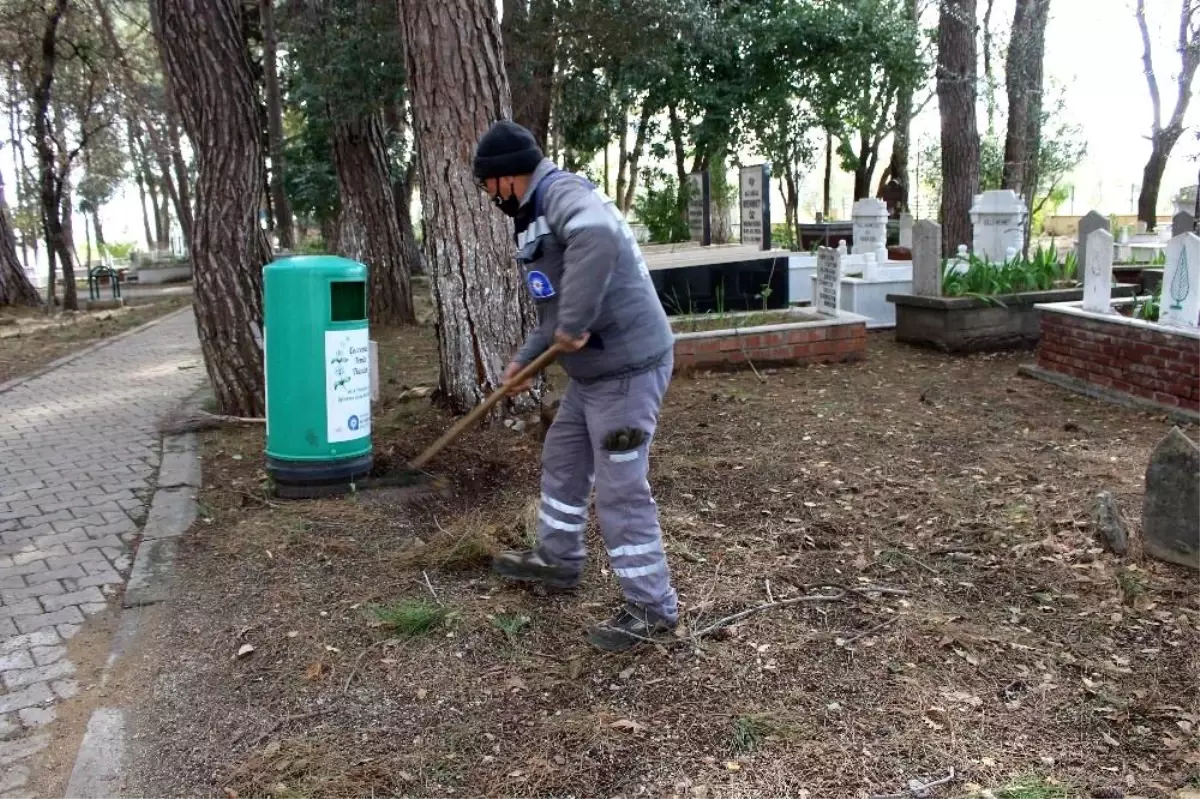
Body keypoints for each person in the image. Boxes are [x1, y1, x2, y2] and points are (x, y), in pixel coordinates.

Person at [472, 119, 679, 652]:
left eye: (486, 186)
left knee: (620, 487)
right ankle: (557, 560)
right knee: (562, 460)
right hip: (593, 377)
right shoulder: (531, 218)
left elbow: (598, 237)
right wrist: (523, 365)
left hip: (628, 371)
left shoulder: (562, 193)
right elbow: (553, 313)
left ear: (504, 178)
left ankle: (652, 606)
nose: (487, 196)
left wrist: (575, 321)